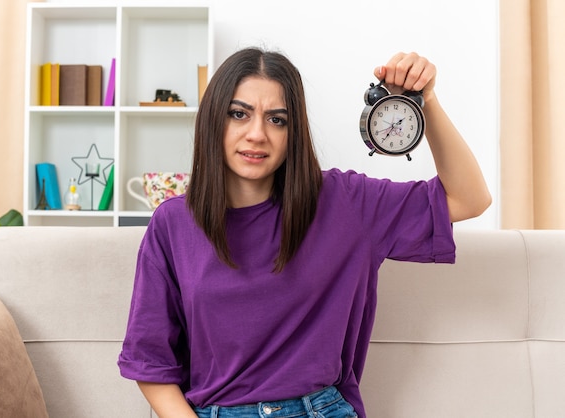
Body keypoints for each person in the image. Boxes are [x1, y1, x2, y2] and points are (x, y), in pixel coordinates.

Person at [118, 47, 491, 418]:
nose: (257, 134)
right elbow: (150, 360)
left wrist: (425, 99)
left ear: (294, 131)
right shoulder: (173, 224)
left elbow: (469, 199)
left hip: (318, 409)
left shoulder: (347, 203)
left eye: (277, 120)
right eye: (239, 114)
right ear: (214, 120)